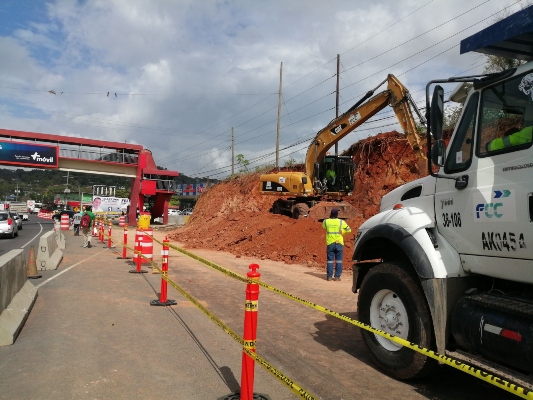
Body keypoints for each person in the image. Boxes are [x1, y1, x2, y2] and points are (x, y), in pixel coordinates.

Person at [322, 208, 351, 281]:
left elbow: (324, 227)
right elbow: (349, 230)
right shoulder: (341, 222)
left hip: (330, 243)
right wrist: (343, 232)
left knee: (330, 261)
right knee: (339, 260)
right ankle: (337, 277)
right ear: (337, 214)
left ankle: (329, 276)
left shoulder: (326, 221)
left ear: (331, 214)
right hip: (339, 243)